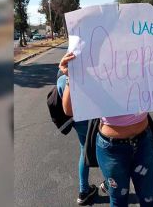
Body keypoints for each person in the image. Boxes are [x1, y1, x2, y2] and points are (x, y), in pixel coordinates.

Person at [60, 53, 153, 207]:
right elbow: (68, 110)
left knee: (149, 198)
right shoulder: (94, 51)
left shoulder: (142, 46)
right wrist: (69, 77)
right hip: (112, 149)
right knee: (118, 201)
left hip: (143, 143)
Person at [57, 53, 97, 205]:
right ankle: (109, 184)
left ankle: (83, 191)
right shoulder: (99, 76)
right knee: (106, 151)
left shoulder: (62, 78)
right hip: (97, 121)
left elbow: (66, 108)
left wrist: (66, 76)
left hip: (78, 122)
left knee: (83, 149)